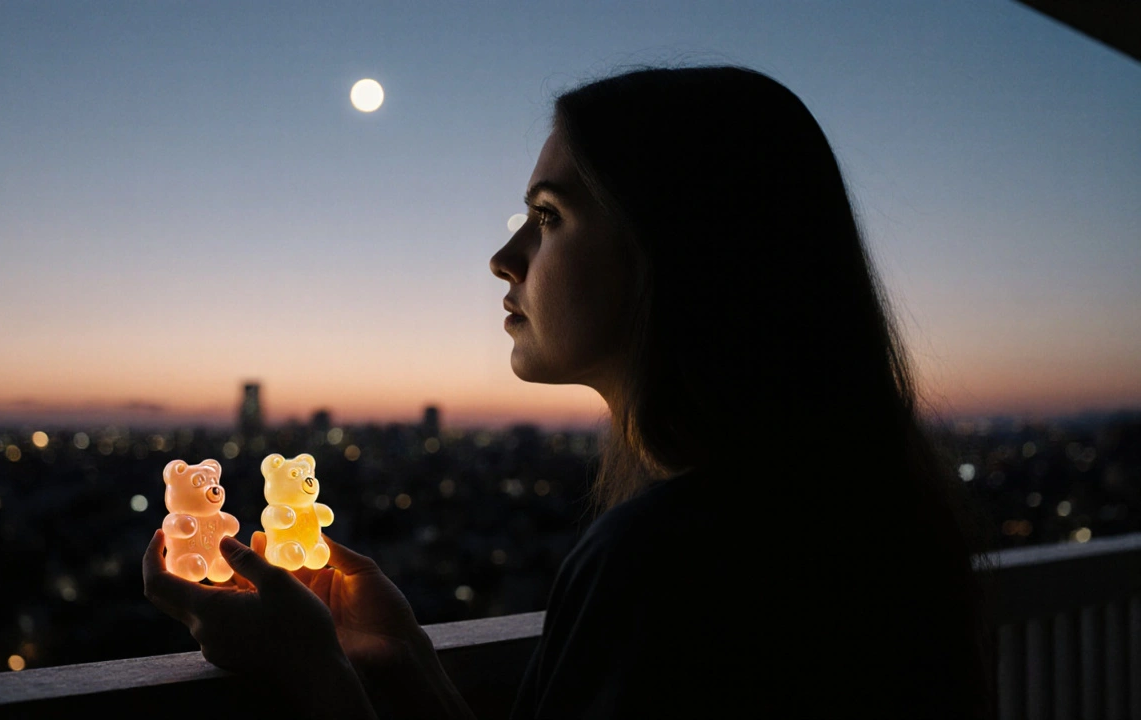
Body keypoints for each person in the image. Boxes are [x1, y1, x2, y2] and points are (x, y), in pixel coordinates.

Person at [143, 65, 994, 719]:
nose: (505, 257)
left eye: (548, 218)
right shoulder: (859, 517)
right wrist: (404, 660)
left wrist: (314, 675)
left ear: (679, 251)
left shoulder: (667, 559)